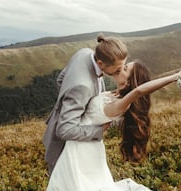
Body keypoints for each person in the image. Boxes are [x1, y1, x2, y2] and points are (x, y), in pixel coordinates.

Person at [45, 60, 181, 191]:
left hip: (83, 150)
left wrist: (176, 76)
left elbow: (138, 91)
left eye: (125, 68)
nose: (121, 67)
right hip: (81, 145)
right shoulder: (113, 94)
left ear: (129, 81)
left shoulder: (122, 104)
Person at [43, 33, 128, 176]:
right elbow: (64, 129)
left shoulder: (85, 53)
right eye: (117, 69)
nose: (119, 73)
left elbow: (60, 79)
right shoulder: (82, 87)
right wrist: (98, 130)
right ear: (101, 64)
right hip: (66, 150)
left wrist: (72, 103)